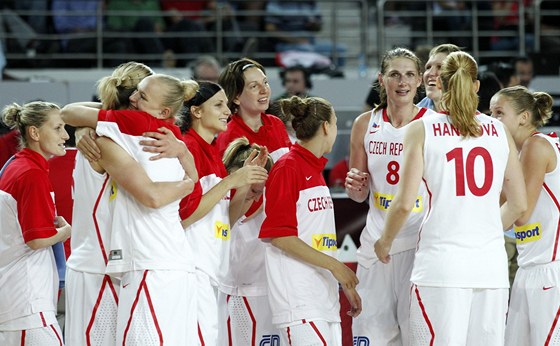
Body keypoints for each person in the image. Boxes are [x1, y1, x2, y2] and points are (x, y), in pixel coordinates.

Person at [374, 51, 527, 345]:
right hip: (490, 267)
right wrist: (485, 231)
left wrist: (385, 241)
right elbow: (519, 204)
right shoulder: (498, 130)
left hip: (441, 267)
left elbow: (404, 203)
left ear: (441, 84)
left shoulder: (421, 129)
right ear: (477, 87)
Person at [61, 73, 199, 345]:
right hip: (145, 261)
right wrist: (188, 171)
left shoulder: (122, 129)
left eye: (143, 94)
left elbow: (68, 112)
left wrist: (189, 182)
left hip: (139, 262)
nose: (136, 97)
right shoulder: (167, 133)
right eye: (137, 91)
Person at [345, 47, 436, 346]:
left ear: (420, 80)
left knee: (417, 336)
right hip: (376, 242)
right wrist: (354, 189)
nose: (403, 82)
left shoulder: (434, 125)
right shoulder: (364, 123)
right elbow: (358, 194)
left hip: (418, 243)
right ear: (382, 79)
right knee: (372, 336)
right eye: (395, 74)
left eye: (410, 74)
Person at [259, 96, 361, 345]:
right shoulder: (288, 168)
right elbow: (281, 236)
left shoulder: (313, 169)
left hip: (321, 297)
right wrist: (336, 267)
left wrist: (341, 280)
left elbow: (318, 238)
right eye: (336, 124)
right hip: (299, 298)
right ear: (326, 126)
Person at [176, 81, 269, 346]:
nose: (227, 110)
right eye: (218, 104)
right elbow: (186, 216)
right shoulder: (188, 149)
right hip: (193, 267)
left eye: (226, 104)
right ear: (195, 111)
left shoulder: (212, 152)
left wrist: (244, 186)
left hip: (213, 268)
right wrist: (230, 182)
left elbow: (224, 219)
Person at [489, 86, 559, 346]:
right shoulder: (516, 154)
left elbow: (521, 212)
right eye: (490, 113)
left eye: (499, 113)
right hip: (529, 268)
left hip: (550, 272)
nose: (492, 120)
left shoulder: (536, 145)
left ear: (524, 117)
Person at [0, 101, 71, 345]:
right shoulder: (31, 174)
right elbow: (37, 239)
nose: (66, 135)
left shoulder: (16, 165)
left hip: (20, 298)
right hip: (26, 303)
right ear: (34, 132)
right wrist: (64, 232)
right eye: (58, 128)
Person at [219, 136, 276, 346]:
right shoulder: (217, 202)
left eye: (261, 190)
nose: (257, 195)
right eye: (252, 189)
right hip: (229, 293)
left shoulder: (266, 201)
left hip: (262, 294)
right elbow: (229, 223)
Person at [216, 57, 292, 161]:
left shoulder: (276, 123)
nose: (264, 90)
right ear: (236, 97)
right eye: (254, 86)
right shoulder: (228, 136)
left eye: (265, 82)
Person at [264, 1, 347, 67]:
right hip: (286, 45)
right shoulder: (277, 3)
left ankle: (334, 76)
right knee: (306, 49)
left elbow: (318, 28)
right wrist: (296, 41)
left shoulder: (310, 2)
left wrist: (314, 25)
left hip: (310, 44)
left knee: (340, 50)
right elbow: (270, 29)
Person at [417, 43, 462, 111]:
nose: (430, 73)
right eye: (428, 67)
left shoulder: (475, 119)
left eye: (440, 67)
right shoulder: (412, 117)